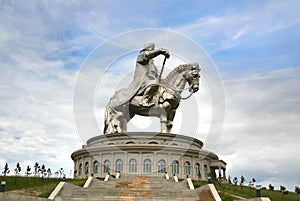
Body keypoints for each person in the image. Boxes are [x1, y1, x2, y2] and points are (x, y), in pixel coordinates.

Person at [109, 42, 170, 108]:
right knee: (153, 83)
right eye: (152, 49)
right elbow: (148, 55)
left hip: (150, 78)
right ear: (148, 48)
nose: (153, 50)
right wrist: (160, 51)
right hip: (143, 79)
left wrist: (160, 78)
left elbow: (156, 72)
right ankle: (144, 100)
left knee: (161, 86)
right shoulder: (142, 55)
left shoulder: (151, 62)